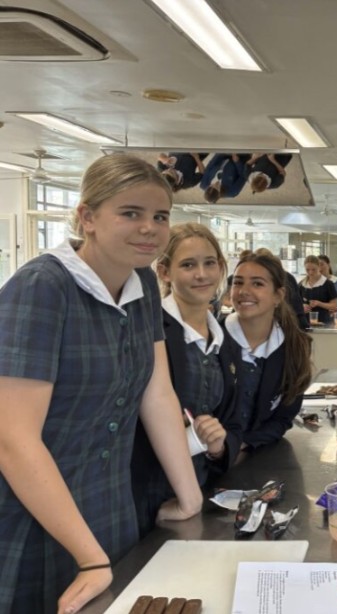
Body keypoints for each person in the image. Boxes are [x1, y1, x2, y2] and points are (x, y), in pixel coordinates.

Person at [0, 154, 202, 613]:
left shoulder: (142, 284)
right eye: (130, 213)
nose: (149, 228)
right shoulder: (42, 288)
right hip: (34, 517)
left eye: (160, 216)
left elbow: (157, 392)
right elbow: (13, 439)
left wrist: (190, 497)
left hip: (110, 507)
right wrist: (89, 559)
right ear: (87, 217)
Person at [131, 222, 242, 537]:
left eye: (210, 263)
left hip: (199, 491)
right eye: (188, 265)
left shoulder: (225, 343)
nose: (202, 274)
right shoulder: (148, 332)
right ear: (164, 272)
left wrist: (218, 447)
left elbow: (232, 421)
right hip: (145, 495)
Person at [222, 248, 312, 459]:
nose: (244, 291)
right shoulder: (211, 341)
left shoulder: (294, 347)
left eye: (257, 284)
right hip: (204, 460)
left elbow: (283, 418)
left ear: (278, 295)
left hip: (257, 458)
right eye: (238, 282)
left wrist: (242, 444)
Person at [299, 254, 337, 325]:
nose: (310, 272)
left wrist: (319, 303)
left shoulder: (328, 284)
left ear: (319, 267)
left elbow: (334, 305)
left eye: (313, 269)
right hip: (305, 322)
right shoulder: (301, 284)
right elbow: (295, 303)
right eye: (307, 270)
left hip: (324, 322)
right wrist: (302, 307)